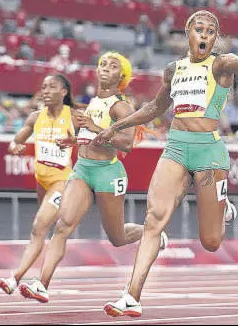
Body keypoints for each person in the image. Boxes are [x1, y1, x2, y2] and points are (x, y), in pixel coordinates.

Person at [94, 10, 238, 317]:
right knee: (153, 220)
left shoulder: (220, 64)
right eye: (199, 29)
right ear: (188, 33)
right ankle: (131, 295)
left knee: (211, 241)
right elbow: (154, 108)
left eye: (210, 31)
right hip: (176, 148)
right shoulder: (174, 70)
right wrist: (116, 127)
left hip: (208, 154)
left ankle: (222, 205)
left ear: (214, 38)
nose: (204, 34)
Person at [18, 52, 167, 303]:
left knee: (117, 238)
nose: (105, 68)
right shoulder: (94, 102)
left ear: (122, 76)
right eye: (102, 64)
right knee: (63, 225)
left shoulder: (121, 106)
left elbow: (126, 144)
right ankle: (42, 284)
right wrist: (75, 140)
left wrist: (95, 127)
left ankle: (151, 234)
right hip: (83, 169)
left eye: (113, 66)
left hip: (108, 173)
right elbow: (92, 138)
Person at [0, 74, 76, 295]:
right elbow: (16, 140)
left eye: (52, 87)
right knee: (40, 232)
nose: (46, 91)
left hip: (62, 181)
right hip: (41, 180)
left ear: (64, 92)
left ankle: (17, 278)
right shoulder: (35, 117)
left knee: (38, 226)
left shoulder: (74, 117)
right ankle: (26, 278)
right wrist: (14, 146)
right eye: (43, 87)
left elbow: (93, 139)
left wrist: (74, 141)